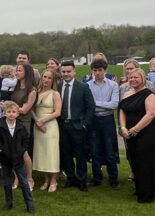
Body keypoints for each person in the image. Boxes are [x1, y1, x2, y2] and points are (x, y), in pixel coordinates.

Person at [119, 69, 155, 203]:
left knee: (146, 163)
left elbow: (151, 114)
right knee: (135, 161)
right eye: (131, 78)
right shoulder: (126, 94)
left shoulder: (149, 94)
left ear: (143, 78)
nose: (133, 80)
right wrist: (123, 127)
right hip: (130, 134)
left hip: (146, 133)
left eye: (136, 77)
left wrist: (136, 129)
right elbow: (122, 111)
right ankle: (139, 189)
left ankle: (147, 194)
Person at [57, 61, 95, 191]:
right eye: (63, 72)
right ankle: (70, 178)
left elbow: (90, 107)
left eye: (68, 71)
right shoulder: (58, 87)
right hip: (63, 126)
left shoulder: (83, 87)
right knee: (66, 154)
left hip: (78, 126)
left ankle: (81, 180)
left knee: (80, 155)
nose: (66, 74)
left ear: (74, 71)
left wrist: (84, 124)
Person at [86, 59, 120, 190]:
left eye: (100, 70)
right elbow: (88, 105)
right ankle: (96, 178)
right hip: (93, 120)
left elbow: (114, 104)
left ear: (105, 70)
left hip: (107, 120)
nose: (97, 73)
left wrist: (95, 103)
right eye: (95, 70)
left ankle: (113, 179)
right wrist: (100, 104)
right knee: (94, 150)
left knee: (110, 151)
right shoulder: (87, 85)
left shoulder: (113, 85)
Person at [0, 101, 34, 213]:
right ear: (4, 113)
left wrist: (22, 150)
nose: (11, 114)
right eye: (9, 112)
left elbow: (26, 140)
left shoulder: (21, 126)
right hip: (5, 158)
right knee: (7, 182)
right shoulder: (0, 125)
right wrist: (1, 150)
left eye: (13, 112)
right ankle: (8, 202)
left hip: (18, 159)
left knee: (23, 181)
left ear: (17, 113)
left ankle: (29, 204)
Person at [31, 67, 62, 193]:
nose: (46, 80)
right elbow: (31, 109)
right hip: (38, 126)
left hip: (50, 126)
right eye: (45, 77)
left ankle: (53, 180)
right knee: (42, 153)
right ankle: (46, 179)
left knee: (51, 153)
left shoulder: (55, 94)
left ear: (53, 80)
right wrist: (37, 121)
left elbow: (58, 112)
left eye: (49, 78)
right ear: (41, 78)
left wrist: (42, 121)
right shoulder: (36, 92)